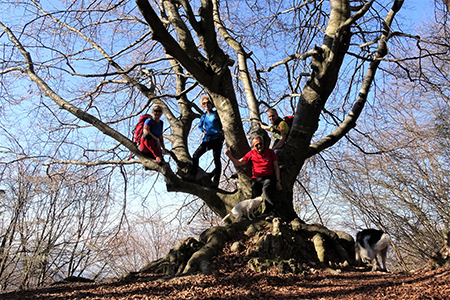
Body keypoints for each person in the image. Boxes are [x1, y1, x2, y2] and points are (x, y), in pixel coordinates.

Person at [225, 136, 282, 220]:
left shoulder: (270, 152)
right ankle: (252, 216)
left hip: (269, 177)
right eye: (256, 145)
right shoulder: (251, 154)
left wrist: (278, 181)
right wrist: (229, 155)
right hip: (256, 178)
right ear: (253, 146)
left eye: (260, 144)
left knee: (266, 191)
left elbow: (276, 167)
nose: (259, 146)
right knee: (254, 197)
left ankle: (271, 213)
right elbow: (238, 163)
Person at [190, 95, 224, 187]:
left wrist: (222, 135)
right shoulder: (204, 116)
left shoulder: (216, 113)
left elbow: (222, 124)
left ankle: (216, 181)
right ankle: (192, 175)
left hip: (217, 139)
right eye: (204, 103)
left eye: (208, 102)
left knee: (216, 159)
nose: (206, 104)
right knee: (195, 155)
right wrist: (202, 130)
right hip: (207, 140)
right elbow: (200, 126)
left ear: (211, 103)